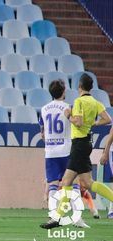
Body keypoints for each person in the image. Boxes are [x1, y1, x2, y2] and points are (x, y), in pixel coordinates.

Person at [41, 74, 113, 229]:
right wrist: (93, 123)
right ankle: (58, 218)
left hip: (78, 144)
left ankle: (57, 218)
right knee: (87, 183)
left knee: (67, 182)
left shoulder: (79, 101)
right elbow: (108, 120)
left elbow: (78, 122)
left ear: (80, 87)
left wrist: (69, 117)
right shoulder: (95, 102)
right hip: (86, 142)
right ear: (91, 87)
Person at [39, 80, 90, 227]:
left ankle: (54, 216)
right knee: (73, 184)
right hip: (67, 150)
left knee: (53, 184)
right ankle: (77, 218)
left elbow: (42, 133)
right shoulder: (69, 107)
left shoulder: (44, 109)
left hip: (50, 151)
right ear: (63, 92)